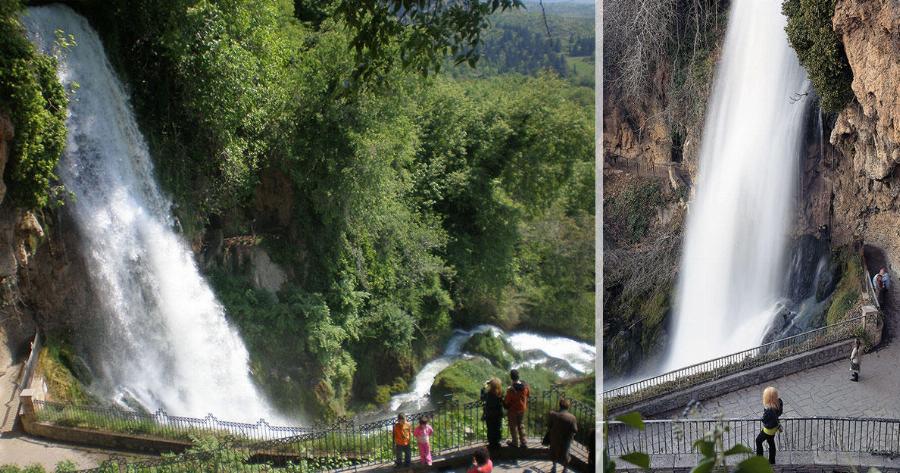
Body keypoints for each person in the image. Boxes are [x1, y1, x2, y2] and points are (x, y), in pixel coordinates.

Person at [547, 398, 578, 473]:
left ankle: (554, 467)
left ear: (559, 405)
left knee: (554, 452)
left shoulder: (553, 414)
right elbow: (575, 430)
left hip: (555, 437)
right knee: (565, 454)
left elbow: (549, 425)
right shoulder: (572, 417)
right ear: (568, 407)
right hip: (566, 439)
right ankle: (565, 469)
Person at [755, 386, 783, 465]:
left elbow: (764, 420)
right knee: (771, 443)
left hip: (768, 430)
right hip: (774, 428)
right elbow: (779, 413)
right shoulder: (779, 403)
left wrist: (765, 410)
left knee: (758, 441)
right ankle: (772, 461)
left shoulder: (769, 410)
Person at [503, 369, 530, 448]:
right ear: (518, 376)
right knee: (521, 425)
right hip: (522, 409)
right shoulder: (525, 386)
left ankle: (515, 442)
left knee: (513, 426)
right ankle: (523, 442)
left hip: (513, 410)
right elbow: (528, 395)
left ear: (511, 377)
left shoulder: (510, 389)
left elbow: (507, 401)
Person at [480, 377, 504, 448]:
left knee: (490, 429)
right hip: (498, 414)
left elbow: (482, 397)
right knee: (497, 428)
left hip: (490, 414)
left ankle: (491, 444)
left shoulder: (488, 394)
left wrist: (484, 387)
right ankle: (497, 443)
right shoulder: (500, 393)